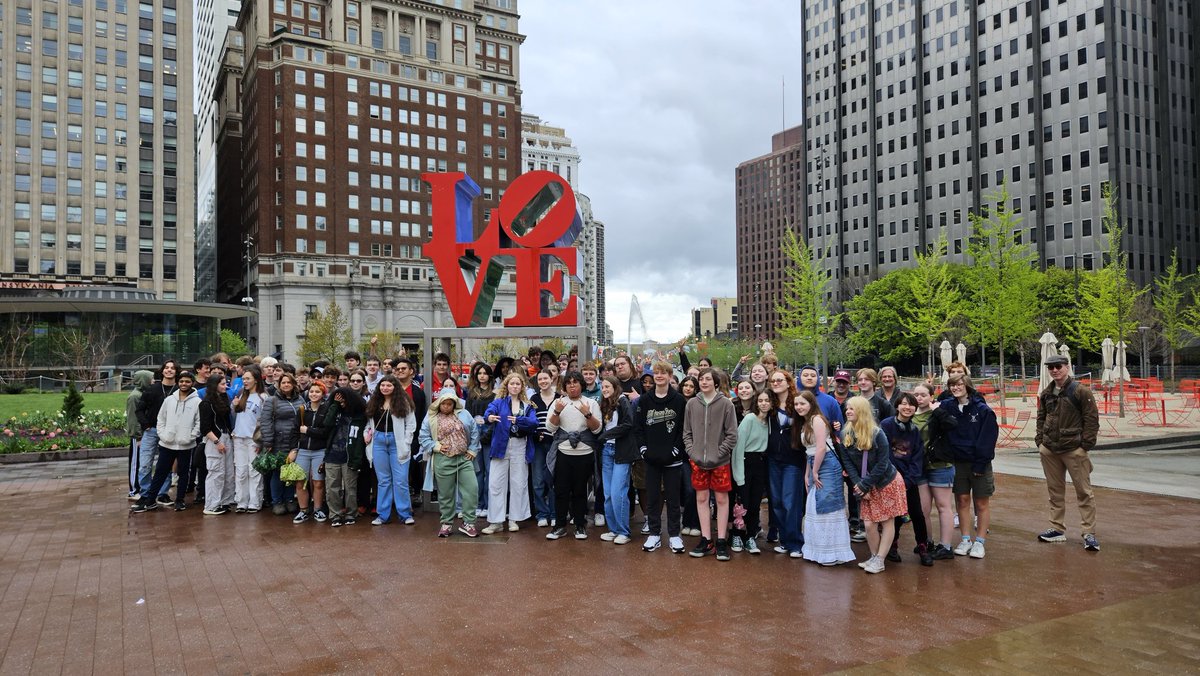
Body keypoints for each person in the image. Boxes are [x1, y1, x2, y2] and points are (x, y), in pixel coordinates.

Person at [1035, 354, 1101, 551]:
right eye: (1051, 367)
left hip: (1074, 449)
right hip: (1050, 449)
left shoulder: (1081, 391)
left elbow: (1092, 419)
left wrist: (1085, 446)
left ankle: (1089, 533)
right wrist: (1040, 441)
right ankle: (1056, 528)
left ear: (1067, 367)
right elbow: (1041, 417)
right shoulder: (1047, 392)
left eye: (1058, 366)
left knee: (1084, 492)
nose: (1054, 370)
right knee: (1054, 491)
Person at [683, 368, 739, 561]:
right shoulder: (691, 404)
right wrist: (692, 452)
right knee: (701, 499)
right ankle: (706, 539)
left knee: (722, 500)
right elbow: (687, 433)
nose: (704, 382)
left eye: (708, 379)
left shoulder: (726, 404)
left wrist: (719, 453)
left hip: (720, 461)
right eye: (701, 379)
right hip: (698, 461)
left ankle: (721, 540)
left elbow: (732, 435)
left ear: (716, 383)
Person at [795, 391, 855, 566]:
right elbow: (810, 451)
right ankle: (818, 550)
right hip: (814, 463)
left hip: (827, 464)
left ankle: (832, 552)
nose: (799, 407)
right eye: (797, 404)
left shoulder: (817, 420)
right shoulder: (806, 422)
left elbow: (821, 448)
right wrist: (808, 473)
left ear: (811, 404)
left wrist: (814, 472)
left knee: (828, 504)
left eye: (802, 404)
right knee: (815, 504)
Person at [635, 361, 688, 553]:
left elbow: (683, 429)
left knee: (673, 498)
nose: (659, 376)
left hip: (673, 459)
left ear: (669, 376)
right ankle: (654, 534)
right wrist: (643, 450)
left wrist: (676, 449)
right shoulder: (644, 400)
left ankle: (674, 535)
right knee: (653, 498)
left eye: (663, 373)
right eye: (656, 373)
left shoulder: (679, 400)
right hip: (651, 458)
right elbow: (638, 428)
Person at [944, 373, 999, 559]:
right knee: (962, 501)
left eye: (959, 384)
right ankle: (965, 539)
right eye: (952, 385)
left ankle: (980, 542)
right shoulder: (947, 407)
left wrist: (980, 464)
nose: (955, 387)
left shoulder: (982, 410)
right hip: (957, 462)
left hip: (979, 462)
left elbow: (988, 439)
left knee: (981, 503)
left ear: (967, 385)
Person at [544, 371, 602, 540]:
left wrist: (587, 413)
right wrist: (556, 411)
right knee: (561, 490)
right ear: (565, 386)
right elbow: (550, 428)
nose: (572, 385)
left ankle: (580, 525)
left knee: (580, 491)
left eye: (575, 382)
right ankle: (560, 526)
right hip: (563, 452)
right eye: (568, 383)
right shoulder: (558, 402)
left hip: (585, 453)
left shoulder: (590, 403)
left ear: (581, 385)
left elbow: (597, 429)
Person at [131, 371, 200, 513]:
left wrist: (191, 436)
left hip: (185, 444)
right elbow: (160, 419)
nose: (184, 384)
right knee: (160, 472)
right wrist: (162, 435)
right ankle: (150, 500)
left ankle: (180, 500)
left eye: (187, 381)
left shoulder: (197, 402)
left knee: (183, 473)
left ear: (192, 383)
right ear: (177, 383)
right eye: (181, 381)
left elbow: (198, 422)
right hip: (167, 443)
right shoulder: (169, 400)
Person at [419, 390, 481, 538]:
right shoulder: (431, 417)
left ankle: (469, 523)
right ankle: (446, 523)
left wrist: (473, 449)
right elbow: (423, 436)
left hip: (464, 459)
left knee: (471, 490)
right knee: (445, 494)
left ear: (454, 404)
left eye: (450, 403)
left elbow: (474, 431)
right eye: (444, 403)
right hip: (443, 459)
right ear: (439, 403)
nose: (446, 406)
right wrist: (436, 446)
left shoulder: (464, 414)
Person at [481, 373, 538, 534]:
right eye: (512, 383)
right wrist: (490, 417)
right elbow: (488, 414)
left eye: (518, 384)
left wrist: (518, 420)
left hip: (520, 445)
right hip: (500, 446)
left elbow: (534, 423)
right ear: (506, 385)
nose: (514, 386)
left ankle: (514, 519)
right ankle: (496, 521)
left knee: (518, 483)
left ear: (522, 387)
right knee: (495, 484)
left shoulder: (527, 405)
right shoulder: (498, 402)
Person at [881, 393, 933, 566]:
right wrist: (895, 476)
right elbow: (884, 453)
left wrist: (908, 480)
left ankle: (922, 546)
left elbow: (917, 458)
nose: (907, 407)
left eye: (911, 405)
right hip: (891, 477)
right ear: (897, 406)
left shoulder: (914, 431)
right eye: (903, 404)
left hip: (909, 481)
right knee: (894, 515)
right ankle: (893, 545)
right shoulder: (886, 425)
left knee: (917, 513)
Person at [912, 383, 958, 560]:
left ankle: (945, 545)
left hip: (939, 465)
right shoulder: (910, 414)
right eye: (916, 395)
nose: (919, 398)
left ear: (931, 396)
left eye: (923, 395)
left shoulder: (939, 413)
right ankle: (927, 541)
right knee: (923, 508)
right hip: (920, 467)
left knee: (943, 506)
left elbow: (952, 425)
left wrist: (937, 410)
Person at [365, 375, 417, 525]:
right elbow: (368, 424)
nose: (385, 388)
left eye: (389, 385)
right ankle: (382, 515)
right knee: (383, 481)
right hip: (378, 442)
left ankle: (405, 514)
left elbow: (411, 425)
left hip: (397, 442)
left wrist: (406, 442)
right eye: (383, 385)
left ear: (395, 387)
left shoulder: (404, 402)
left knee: (400, 480)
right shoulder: (373, 402)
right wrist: (366, 435)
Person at [596, 375, 635, 544]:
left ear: (615, 386)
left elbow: (628, 424)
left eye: (607, 387)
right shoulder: (605, 403)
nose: (604, 389)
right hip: (607, 451)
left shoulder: (623, 401)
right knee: (607, 494)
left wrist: (606, 435)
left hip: (621, 451)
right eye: (603, 387)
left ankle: (623, 532)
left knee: (618, 492)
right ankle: (613, 529)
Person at [732, 390, 772, 555]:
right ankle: (736, 534)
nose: (763, 403)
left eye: (767, 400)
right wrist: (739, 475)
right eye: (760, 400)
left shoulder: (770, 421)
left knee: (755, 503)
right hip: (745, 462)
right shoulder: (749, 419)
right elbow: (738, 448)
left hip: (760, 464)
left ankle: (750, 536)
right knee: (742, 502)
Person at [258, 373, 303, 515]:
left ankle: (289, 499)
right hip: (278, 442)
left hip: (295, 441)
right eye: (283, 382)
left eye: (289, 382)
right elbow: (265, 421)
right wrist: (268, 441)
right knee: (278, 473)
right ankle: (277, 501)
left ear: (293, 384)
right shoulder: (272, 400)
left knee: (291, 472)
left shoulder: (300, 399)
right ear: (279, 384)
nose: (286, 385)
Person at [135, 360, 178, 506]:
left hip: (169, 432)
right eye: (166, 367)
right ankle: (145, 493)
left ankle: (162, 493)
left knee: (165, 464)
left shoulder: (179, 390)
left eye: (172, 368)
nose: (169, 370)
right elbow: (139, 409)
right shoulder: (152, 389)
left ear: (176, 371)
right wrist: (146, 424)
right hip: (152, 430)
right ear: (162, 370)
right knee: (145, 464)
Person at [323, 386, 367, 527]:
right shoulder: (333, 411)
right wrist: (335, 405)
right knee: (332, 487)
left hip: (350, 457)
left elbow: (360, 440)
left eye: (343, 401)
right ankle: (335, 515)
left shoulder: (359, 416)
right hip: (332, 455)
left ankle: (350, 514)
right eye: (337, 401)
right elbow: (327, 424)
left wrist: (358, 458)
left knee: (350, 488)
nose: (342, 404)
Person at [290, 380, 331, 523]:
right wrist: (294, 449)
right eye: (312, 392)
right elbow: (295, 431)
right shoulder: (302, 410)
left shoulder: (327, 410)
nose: (314, 394)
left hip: (320, 450)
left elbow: (326, 432)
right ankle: (303, 510)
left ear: (323, 394)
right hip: (303, 451)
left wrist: (308, 430)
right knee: (300, 481)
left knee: (318, 482)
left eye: (317, 392)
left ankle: (318, 509)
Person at [199, 373, 235, 516]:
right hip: (215, 440)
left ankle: (224, 501)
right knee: (216, 473)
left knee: (228, 473)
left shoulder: (224, 400)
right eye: (221, 383)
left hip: (226, 437)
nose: (225, 386)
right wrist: (216, 441)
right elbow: (205, 428)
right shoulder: (206, 404)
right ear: (214, 386)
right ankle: (211, 505)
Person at [230, 366, 265, 513]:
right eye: (243, 378)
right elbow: (235, 416)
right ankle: (241, 501)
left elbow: (265, 420)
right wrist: (234, 406)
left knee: (254, 470)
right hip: (239, 437)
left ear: (256, 380)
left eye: (248, 378)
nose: (245, 381)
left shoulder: (263, 397)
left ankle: (255, 501)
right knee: (241, 470)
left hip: (253, 439)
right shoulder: (240, 395)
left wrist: (261, 441)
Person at [529, 368, 560, 527]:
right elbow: (529, 420)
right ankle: (542, 513)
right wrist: (535, 434)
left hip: (555, 444)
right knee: (538, 480)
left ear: (552, 378)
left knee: (554, 479)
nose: (543, 382)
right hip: (538, 444)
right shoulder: (533, 399)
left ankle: (555, 513)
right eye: (540, 379)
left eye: (545, 378)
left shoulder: (560, 398)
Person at [465, 362, 496, 517]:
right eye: (479, 373)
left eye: (485, 373)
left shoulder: (495, 394)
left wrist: (486, 435)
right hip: (475, 436)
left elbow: (496, 417)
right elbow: (467, 416)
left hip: (490, 436)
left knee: (490, 472)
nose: (482, 376)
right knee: (477, 472)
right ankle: (478, 504)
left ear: (489, 376)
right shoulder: (471, 393)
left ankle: (489, 504)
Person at [125, 369, 153, 499]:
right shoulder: (134, 396)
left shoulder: (144, 394)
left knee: (143, 463)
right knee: (135, 463)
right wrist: (138, 436)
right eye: (151, 379)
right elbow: (133, 418)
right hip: (139, 436)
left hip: (144, 434)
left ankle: (141, 487)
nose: (153, 381)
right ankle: (134, 490)